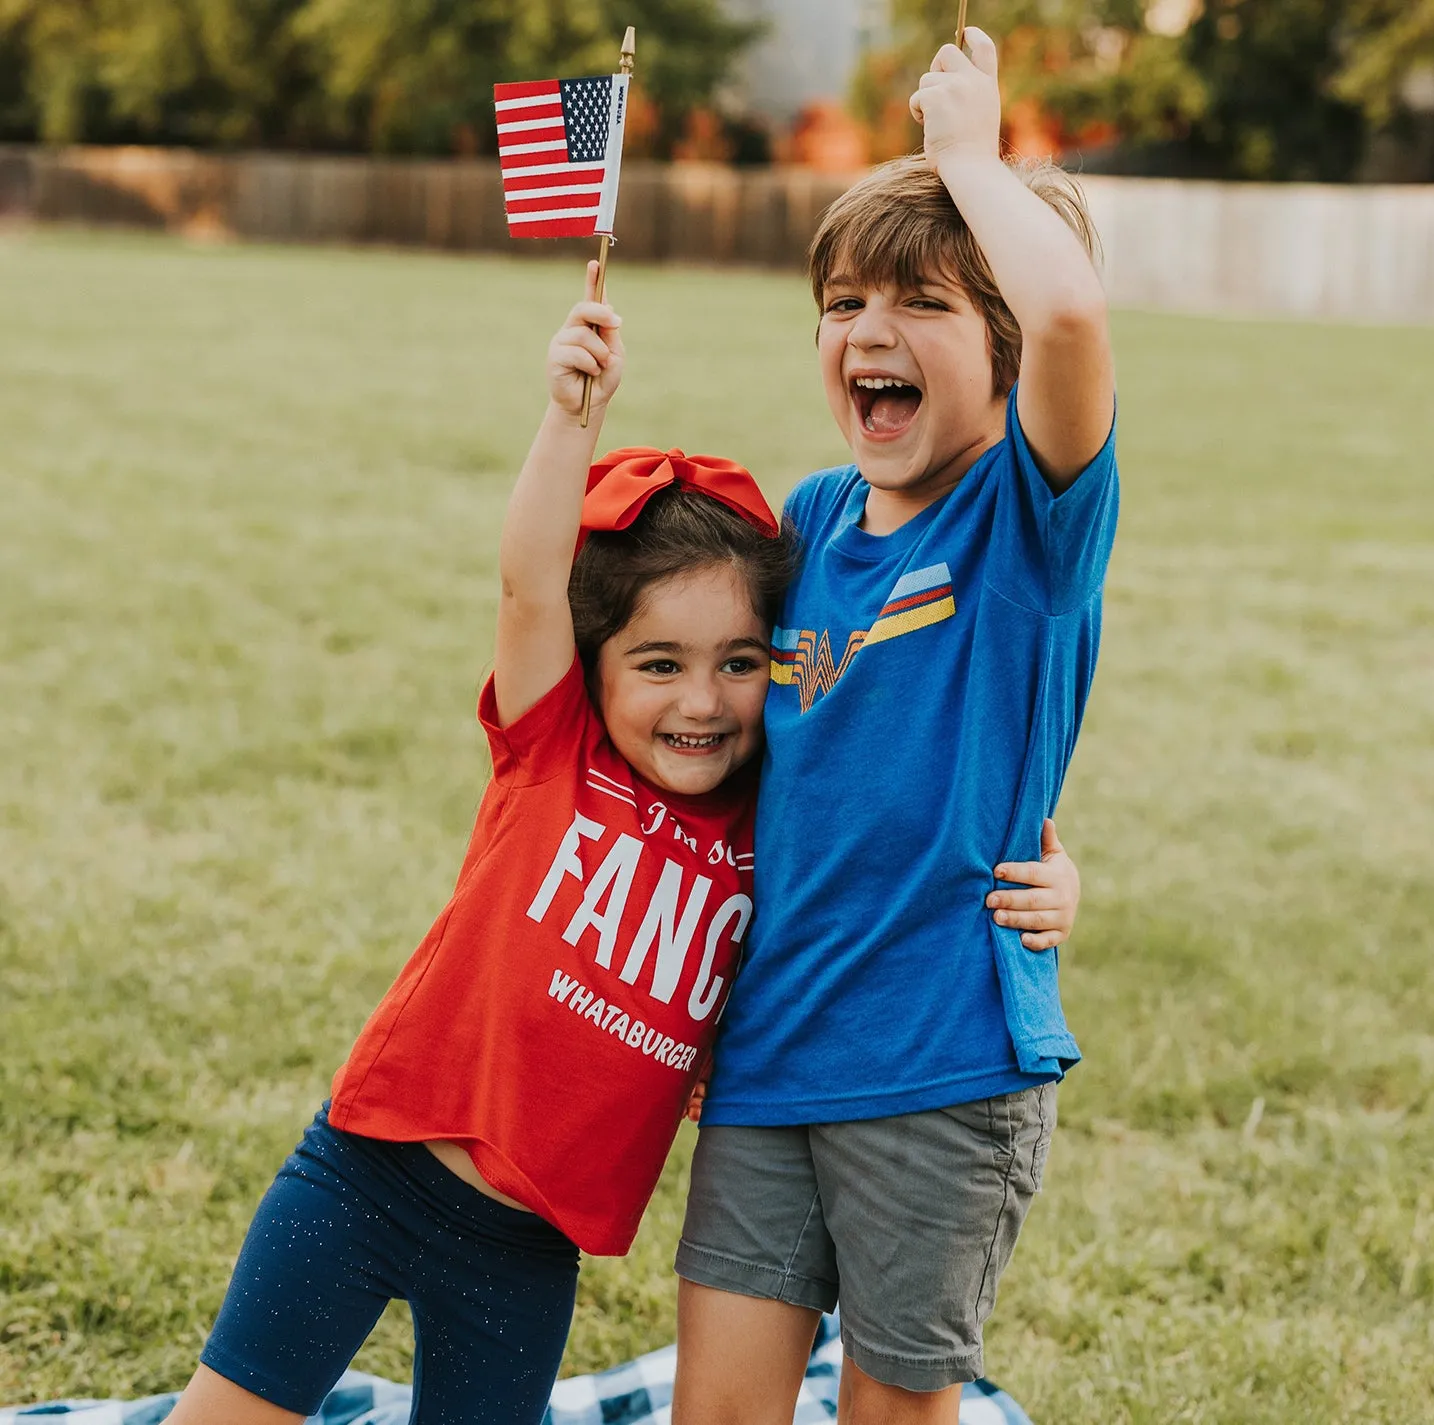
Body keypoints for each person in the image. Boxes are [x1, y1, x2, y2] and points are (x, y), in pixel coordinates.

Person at [161, 265, 1082, 1425]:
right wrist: (568, 421)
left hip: (526, 1254)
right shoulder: (553, 751)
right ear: (598, 670)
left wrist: (1052, 878)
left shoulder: (768, 828)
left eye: (740, 665)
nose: (701, 702)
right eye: (659, 665)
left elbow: (891, 833)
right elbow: (529, 581)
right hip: (366, 1179)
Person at [672, 27, 1119, 1425]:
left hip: (938, 1070)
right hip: (769, 1053)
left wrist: (971, 161)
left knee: (888, 1406)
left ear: (997, 350)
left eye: (919, 303)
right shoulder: (809, 522)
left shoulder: (1025, 522)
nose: (867, 332)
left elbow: (1072, 322)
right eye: (844, 300)